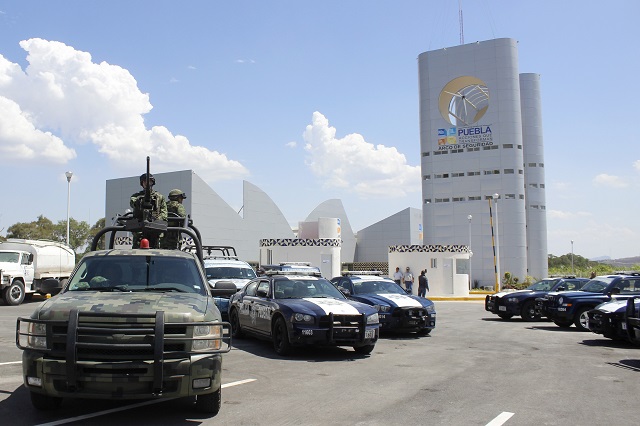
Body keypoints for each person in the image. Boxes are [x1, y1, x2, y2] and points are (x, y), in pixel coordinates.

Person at [129, 173, 168, 248]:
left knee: (155, 251)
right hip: (140, 229)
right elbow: (133, 203)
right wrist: (140, 201)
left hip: (155, 229)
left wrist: (156, 220)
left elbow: (164, 213)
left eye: (149, 181)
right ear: (142, 183)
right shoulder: (135, 196)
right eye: (145, 182)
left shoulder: (160, 197)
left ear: (152, 182)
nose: (147, 184)